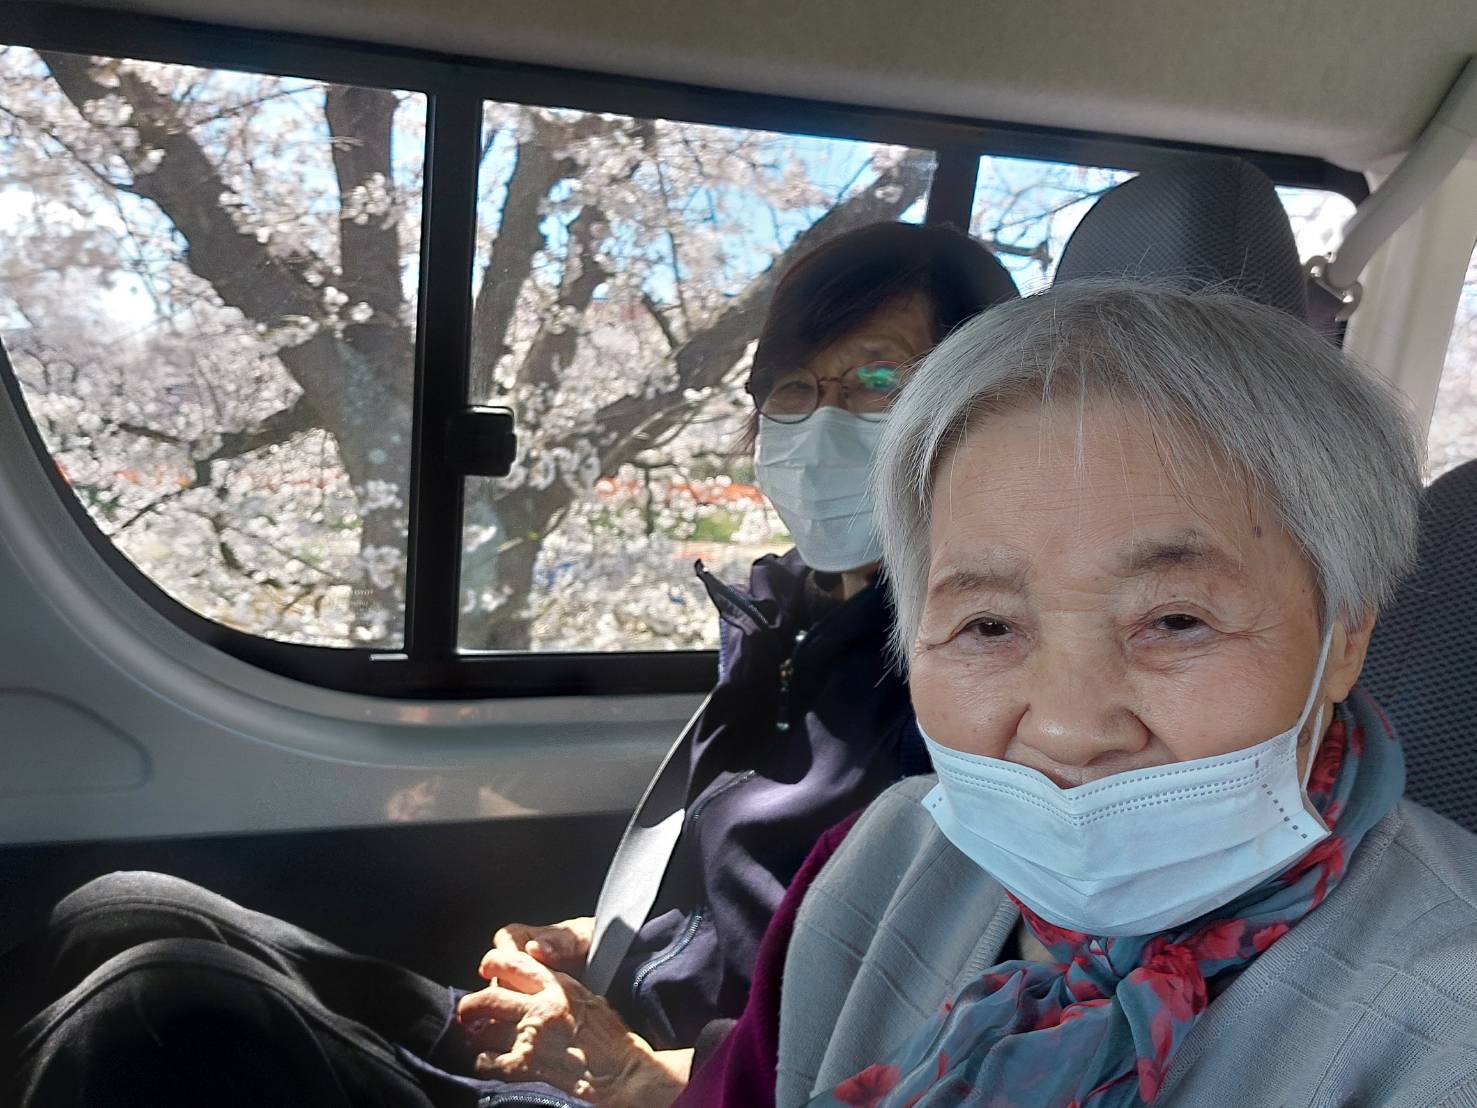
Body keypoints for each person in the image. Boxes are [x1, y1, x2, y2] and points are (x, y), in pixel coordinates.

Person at [0, 222, 1019, 1108]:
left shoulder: (977, 687)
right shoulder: (787, 626)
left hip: (682, 1087)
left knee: (153, 1013)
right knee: (123, 908)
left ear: (973, 409)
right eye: (793, 389)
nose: (821, 421)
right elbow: (734, 906)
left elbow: (931, 1037)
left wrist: (640, 1072)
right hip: (609, 1038)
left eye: (876, 380)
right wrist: (593, 942)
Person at [682, 281, 1477, 1108]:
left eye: (1175, 621)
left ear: (1342, 637)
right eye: (988, 626)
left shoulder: (1452, 1042)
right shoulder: (877, 863)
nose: (1067, 728)